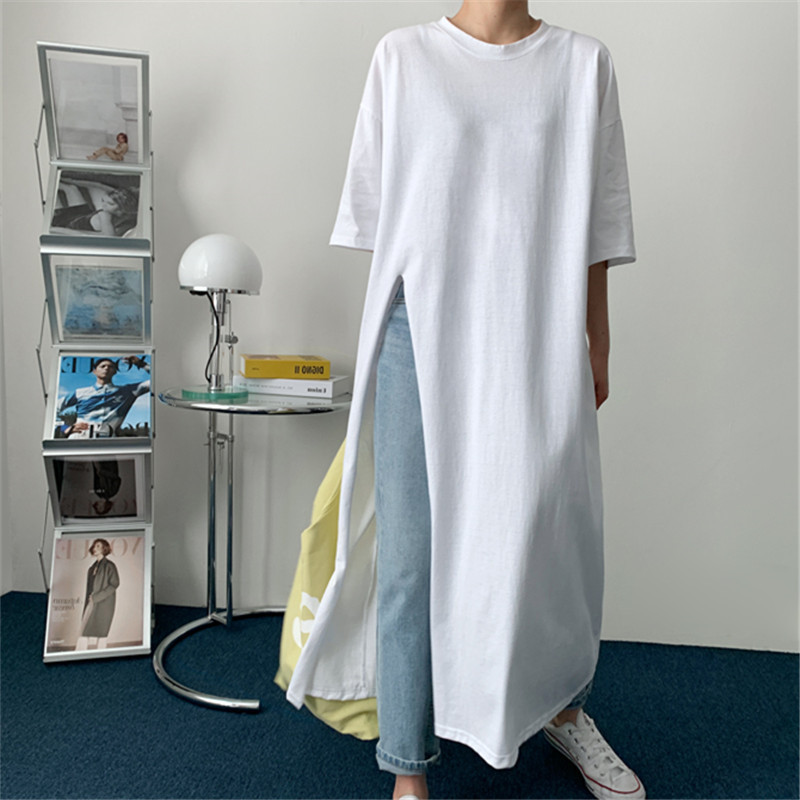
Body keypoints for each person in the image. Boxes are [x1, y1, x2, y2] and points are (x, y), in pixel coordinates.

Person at [285, 3, 644, 799]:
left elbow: (597, 220)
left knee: (548, 537)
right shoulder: (404, 57)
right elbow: (383, 219)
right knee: (411, 559)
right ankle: (407, 770)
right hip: (420, 331)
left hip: (538, 329)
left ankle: (562, 710)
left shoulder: (583, 65)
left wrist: (598, 337)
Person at [57, 356, 150, 439]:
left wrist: (142, 364)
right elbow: (54, 408)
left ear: (115, 371)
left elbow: (155, 382)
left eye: (111, 366)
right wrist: (65, 428)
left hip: (108, 441)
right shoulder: (80, 393)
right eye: (103, 366)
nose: (106, 368)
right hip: (79, 438)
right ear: (94, 371)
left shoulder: (128, 391)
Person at [76, 538, 120, 651]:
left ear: (104, 548)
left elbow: (114, 584)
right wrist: (91, 599)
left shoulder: (110, 566)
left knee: (102, 633)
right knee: (84, 630)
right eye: (94, 546)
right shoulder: (92, 568)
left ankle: (101, 655)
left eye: (98, 546)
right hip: (91, 602)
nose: (95, 548)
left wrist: (97, 597)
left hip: (105, 603)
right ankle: (79, 654)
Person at [51, 182, 139, 237]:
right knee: (72, 188)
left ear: (122, 207)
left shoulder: (105, 215)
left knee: (66, 190)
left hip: (68, 223)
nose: (104, 205)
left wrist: (58, 230)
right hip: (84, 214)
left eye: (110, 204)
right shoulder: (125, 217)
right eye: (103, 200)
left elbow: (109, 237)